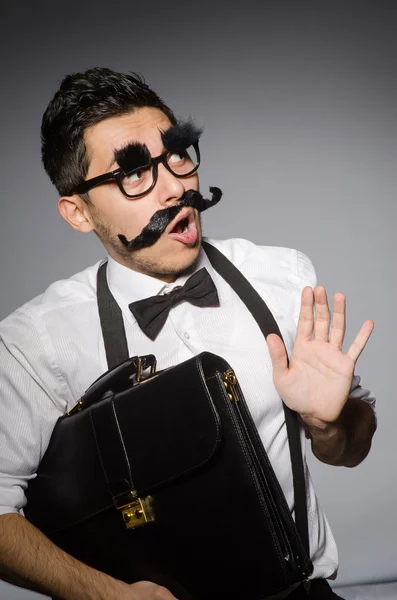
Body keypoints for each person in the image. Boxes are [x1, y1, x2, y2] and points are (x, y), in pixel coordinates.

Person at [0, 67, 376, 600]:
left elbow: (351, 450)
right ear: (77, 212)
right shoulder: (37, 340)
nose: (177, 186)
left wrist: (329, 425)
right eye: (133, 172)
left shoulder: (283, 276)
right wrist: (107, 596)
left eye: (177, 153)